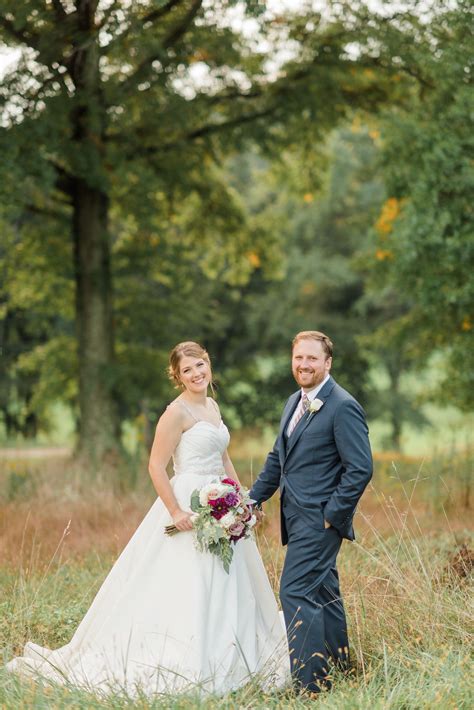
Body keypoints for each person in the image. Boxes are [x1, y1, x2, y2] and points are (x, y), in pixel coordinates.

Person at [6, 341, 289, 697]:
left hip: (222, 500)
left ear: (208, 365)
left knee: (227, 575)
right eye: (187, 370)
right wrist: (175, 511)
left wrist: (242, 497)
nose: (196, 374)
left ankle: (231, 645)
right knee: (191, 578)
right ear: (177, 376)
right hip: (190, 499)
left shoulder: (213, 406)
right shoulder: (176, 413)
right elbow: (156, 465)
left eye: (200, 366)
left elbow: (224, 457)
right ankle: (192, 651)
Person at [250, 330, 373, 694]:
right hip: (296, 517)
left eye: (312, 359)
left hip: (320, 520)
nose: (304, 364)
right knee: (323, 593)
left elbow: (360, 468)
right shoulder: (295, 401)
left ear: (327, 363)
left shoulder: (342, 405)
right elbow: (279, 459)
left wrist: (332, 515)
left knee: (295, 592)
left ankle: (311, 687)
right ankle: (340, 667)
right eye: (298, 358)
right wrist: (253, 499)